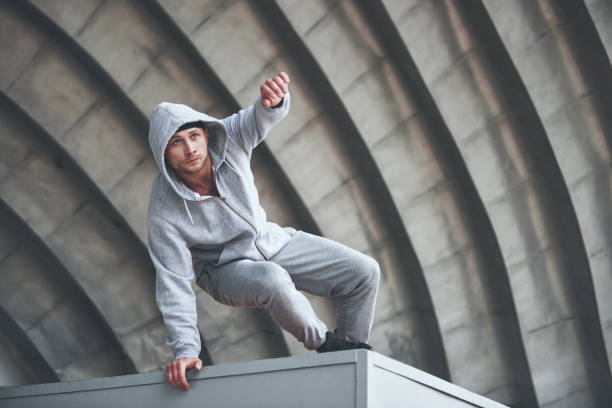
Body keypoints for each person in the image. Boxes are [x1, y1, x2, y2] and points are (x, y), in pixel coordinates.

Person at [147, 72, 380, 391]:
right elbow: (173, 281)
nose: (190, 149)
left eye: (194, 136)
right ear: (164, 154)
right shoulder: (164, 211)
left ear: (205, 134)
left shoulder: (227, 139)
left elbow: (257, 116)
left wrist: (273, 102)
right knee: (271, 279)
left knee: (364, 272)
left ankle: (350, 363)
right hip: (223, 269)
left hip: (272, 240)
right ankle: (327, 345)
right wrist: (187, 350)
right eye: (176, 143)